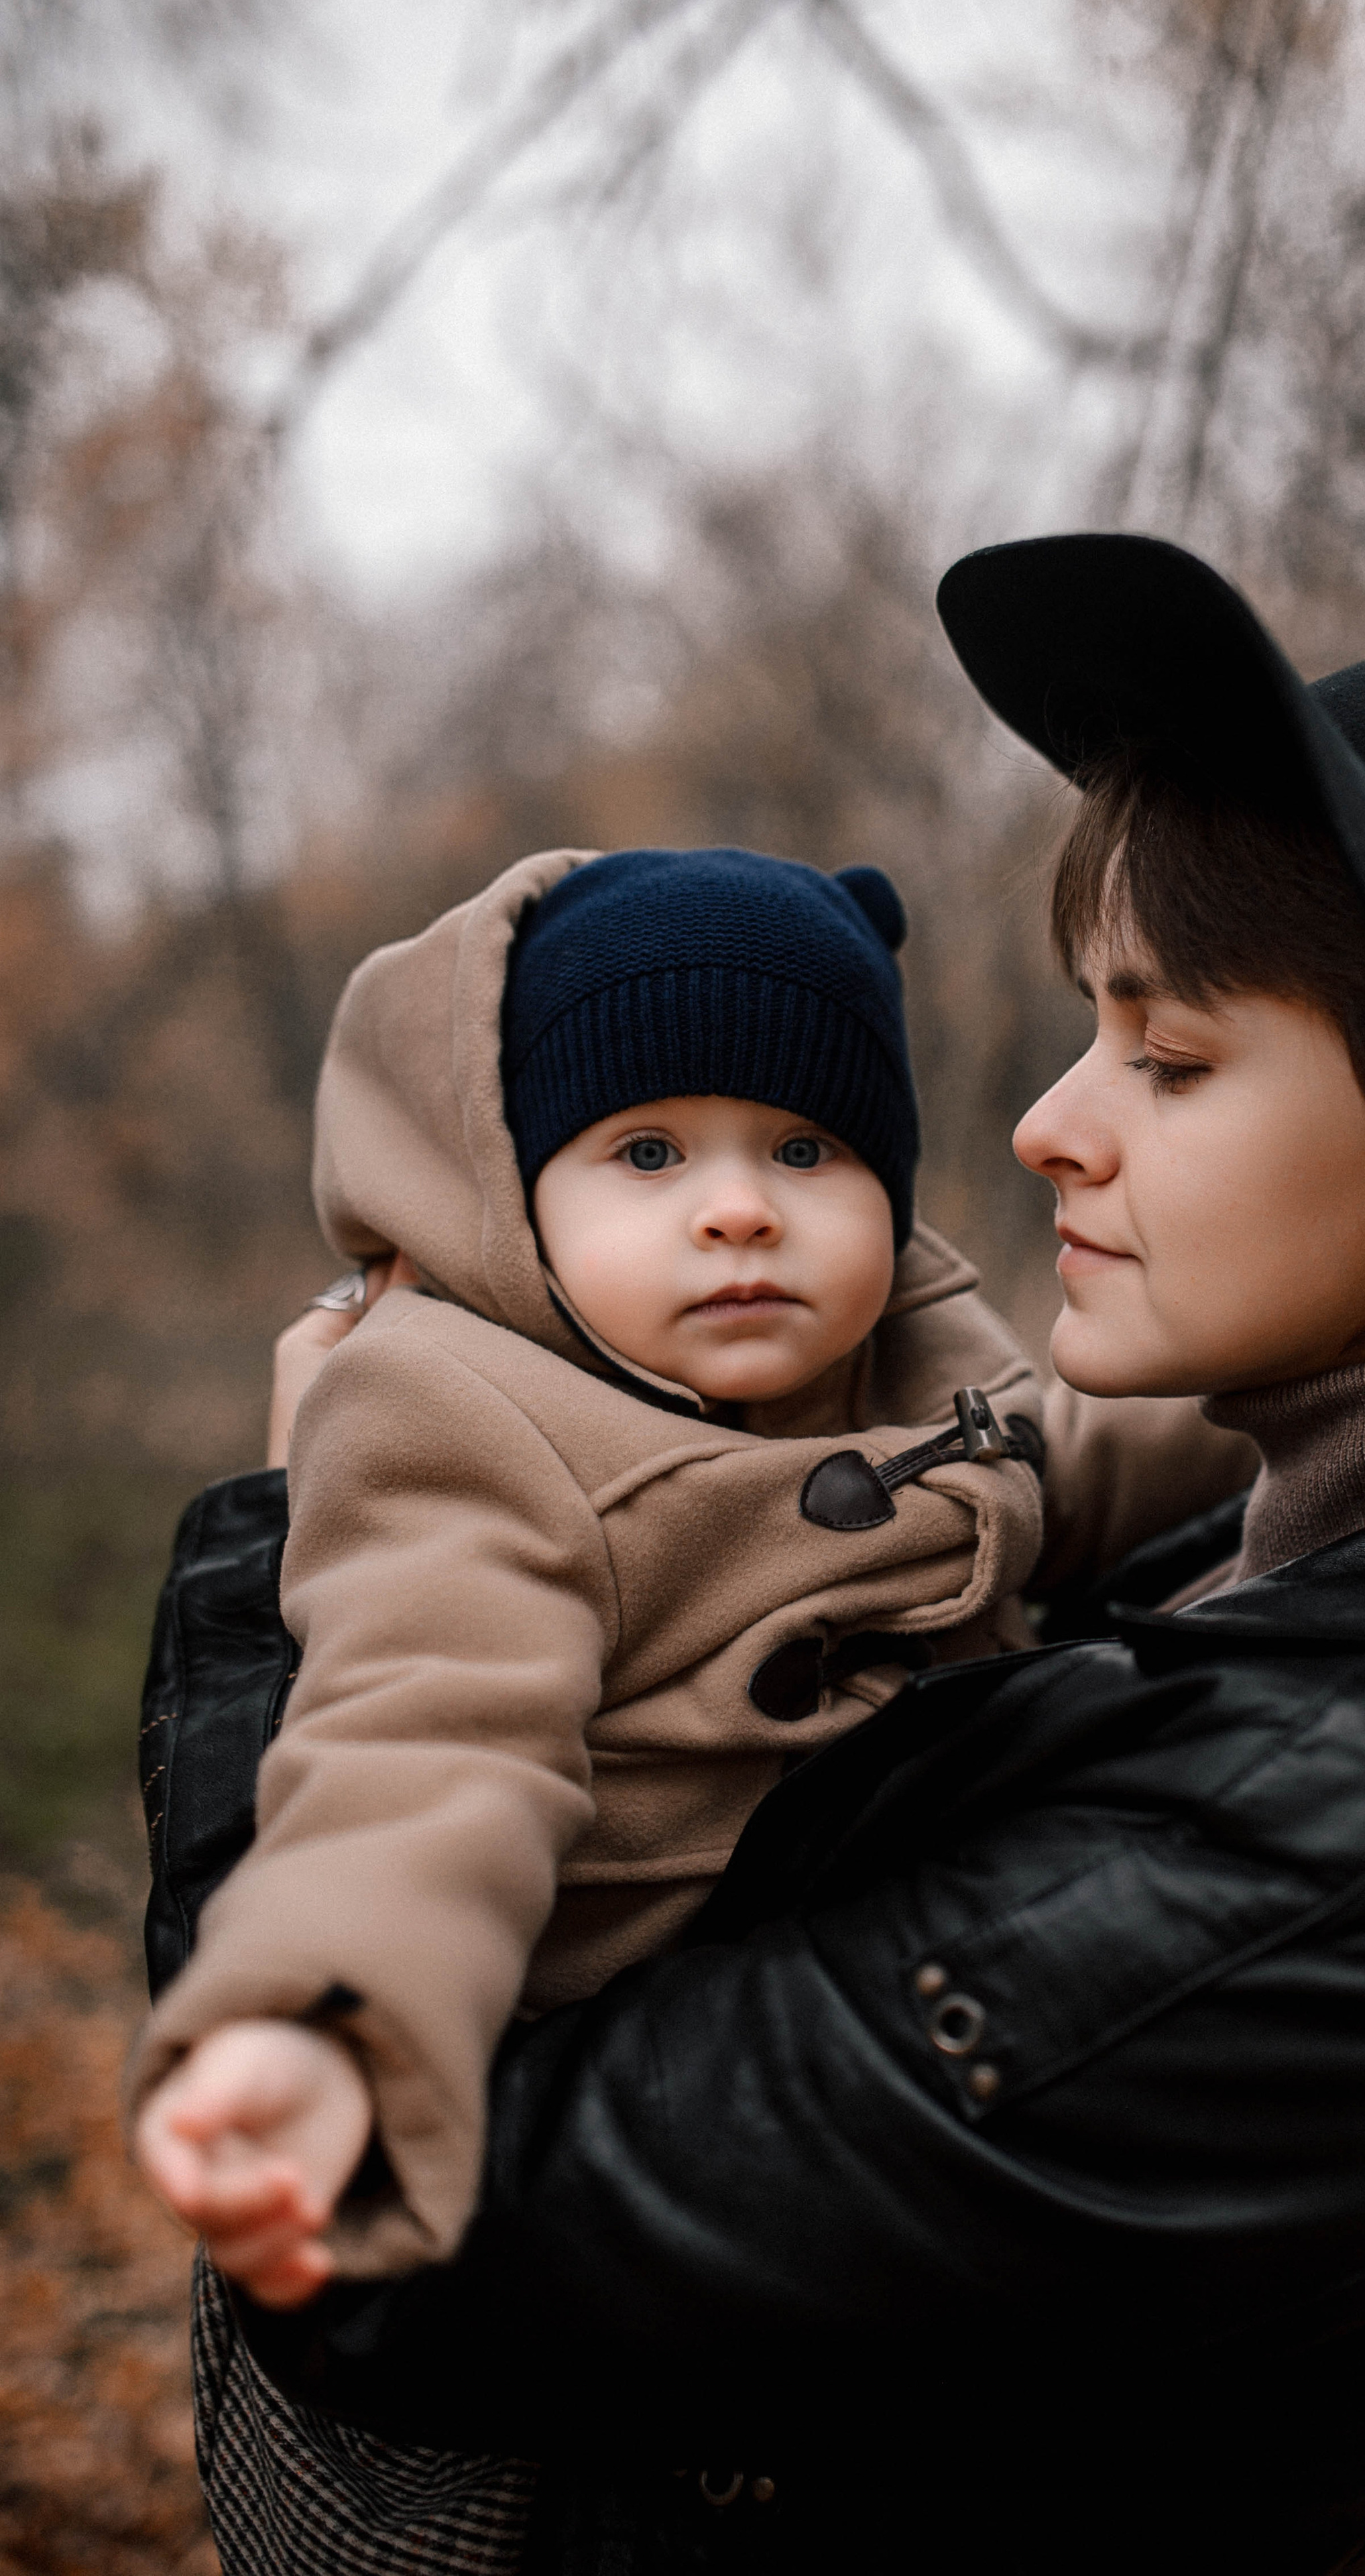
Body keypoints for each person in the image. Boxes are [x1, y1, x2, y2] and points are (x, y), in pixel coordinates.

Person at [137, 534, 1365, 2576]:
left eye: (1169, 1054)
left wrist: (290, 1577)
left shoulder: (1329, 1875)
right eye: (1090, 1026)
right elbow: (1031, 1474)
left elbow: (388, 2256)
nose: (1052, 1123)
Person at [129, 841, 1251, 2312]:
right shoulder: (463, 1414)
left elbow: (1065, 1469)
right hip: (635, 2135)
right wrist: (327, 2019)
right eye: (647, 1153)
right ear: (519, 1193)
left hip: (905, 2072)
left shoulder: (908, 1367)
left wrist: (1290, 1363)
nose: (739, 1209)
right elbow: (426, 1739)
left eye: (804, 1150)